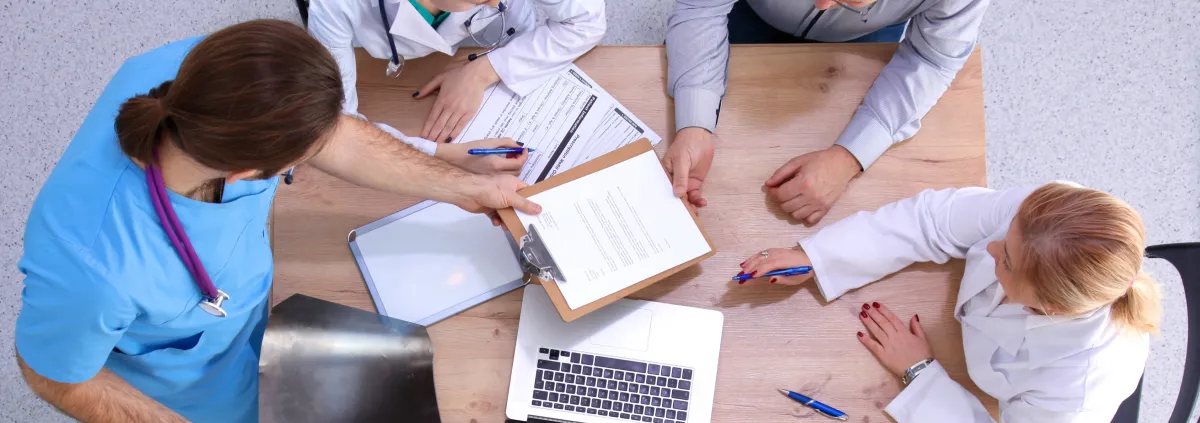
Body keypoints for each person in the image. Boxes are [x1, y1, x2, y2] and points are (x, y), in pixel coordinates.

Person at [14, 20, 540, 423]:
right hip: (196, 396)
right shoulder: (93, 267)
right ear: (248, 170)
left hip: (258, 321)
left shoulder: (213, 80)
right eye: (302, 156)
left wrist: (465, 187)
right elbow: (52, 375)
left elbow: (336, 136)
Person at [736, 182, 1162, 422]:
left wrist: (921, 375)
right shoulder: (1045, 217)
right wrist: (820, 258)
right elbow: (932, 220)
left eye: (1006, 261)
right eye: (1004, 236)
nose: (989, 248)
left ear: (1051, 308)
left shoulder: (1082, 386)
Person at [663, 0, 988, 224]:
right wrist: (694, 121)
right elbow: (701, 8)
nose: (819, 4)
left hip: (862, 39)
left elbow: (931, 61)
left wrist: (851, 155)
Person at [306, 0, 606, 155]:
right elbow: (339, 125)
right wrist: (441, 157)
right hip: (379, 65)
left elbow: (586, 22)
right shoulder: (337, 6)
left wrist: (484, 70)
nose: (498, 1)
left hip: (489, 49)